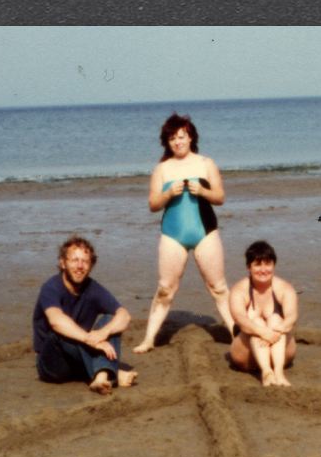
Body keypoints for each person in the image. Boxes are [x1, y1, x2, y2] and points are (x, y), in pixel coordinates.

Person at [132, 113, 236, 353]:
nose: (178, 142)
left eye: (182, 136)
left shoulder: (205, 163)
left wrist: (202, 191)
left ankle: (236, 334)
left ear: (191, 138)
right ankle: (149, 340)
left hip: (205, 232)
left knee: (218, 287)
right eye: (172, 138)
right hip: (172, 234)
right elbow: (153, 205)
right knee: (165, 289)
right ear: (167, 142)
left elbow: (220, 197)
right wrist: (168, 194)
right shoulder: (162, 169)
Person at [32, 235, 137, 395]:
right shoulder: (51, 287)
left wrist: (103, 333)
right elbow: (56, 321)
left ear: (91, 265)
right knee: (59, 333)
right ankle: (113, 372)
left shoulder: (92, 288)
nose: (80, 266)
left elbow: (124, 316)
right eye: (74, 260)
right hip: (52, 364)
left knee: (110, 321)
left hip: (77, 360)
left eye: (85, 261)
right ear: (63, 263)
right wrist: (90, 340)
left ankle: (101, 377)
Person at [228, 240, 298, 387]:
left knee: (275, 318)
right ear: (249, 267)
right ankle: (266, 372)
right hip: (247, 356)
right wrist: (262, 332)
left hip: (281, 353)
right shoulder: (239, 290)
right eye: (258, 264)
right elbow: (240, 319)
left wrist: (273, 332)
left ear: (274, 265)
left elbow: (291, 317)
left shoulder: (284, 288)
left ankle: (278, 373)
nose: (263, 269)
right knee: (256, 321)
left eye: (268, 264)